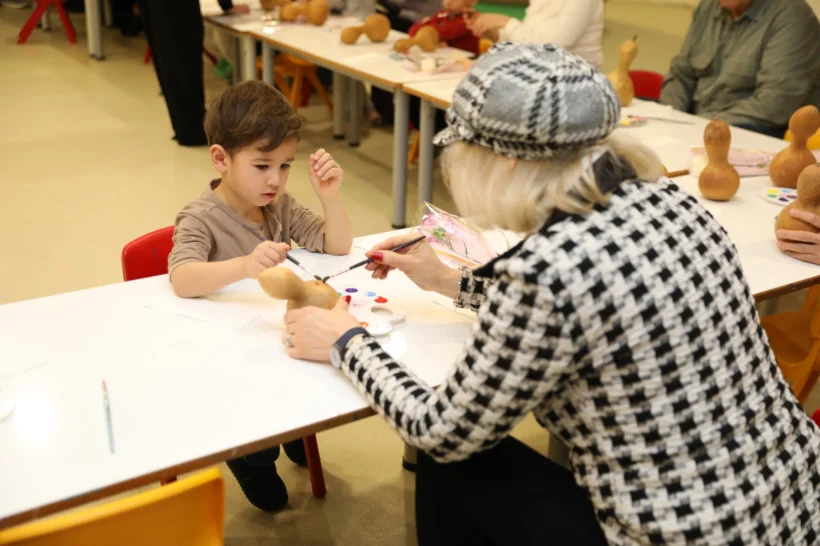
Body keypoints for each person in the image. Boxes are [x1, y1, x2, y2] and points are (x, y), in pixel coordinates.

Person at [282, 44, 820, 544]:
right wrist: (447, 280)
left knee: (446, 461)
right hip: (793, 508)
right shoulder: (676, 204)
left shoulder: (542, 272)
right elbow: (589, 308)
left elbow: (442, 428)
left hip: (675, 532)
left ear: (506, 163)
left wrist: (347, 341)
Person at [168, 81, 352, 510]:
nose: (276, 179)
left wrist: (331, 197)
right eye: (263, 165)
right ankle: (254, 456)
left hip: (278, 341)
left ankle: (285, 433)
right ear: (221, 158)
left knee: (296, 396)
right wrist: (244, 266)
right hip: (230, 357)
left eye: (285, 166)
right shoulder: (200, 217)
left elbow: (337, 245)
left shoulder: (279, 206)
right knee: (260, 429)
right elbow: (181, 278)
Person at [660, 0, 820, 139]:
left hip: (754, 133)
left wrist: (700, 126)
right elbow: (680, 74)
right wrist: (670, 117)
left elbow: (773, 106)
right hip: (696, 124)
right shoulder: (708, 6)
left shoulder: (793, 16)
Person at [465, 0, 603, 70]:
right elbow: (529, 40)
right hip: (541, 77)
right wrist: (494, 33)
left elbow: (553, 47)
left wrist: (505, 22)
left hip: (576, 83)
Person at [409, 0, 480, 55]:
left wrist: (425, 23)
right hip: (445, 57)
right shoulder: (442, 14)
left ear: (472, 1)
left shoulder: (468, 19)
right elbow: (413, 32)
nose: (448, 2)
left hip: (466, 61)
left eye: (455, 0)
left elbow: (440, 33)